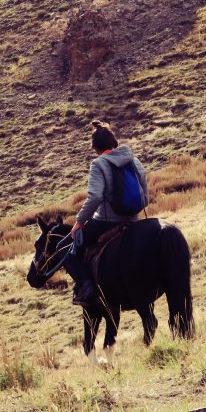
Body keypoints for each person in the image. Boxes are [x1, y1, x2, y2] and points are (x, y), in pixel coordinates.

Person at [65, 120, 149, 305]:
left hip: (106, 221)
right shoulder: (134, 161)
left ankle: (87, 286)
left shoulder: (99, 164)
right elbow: (146, 196)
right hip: (134, 220)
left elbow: (94, 198)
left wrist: (79, 222)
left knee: (71, 252)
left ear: (95, 146)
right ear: (113, 141)